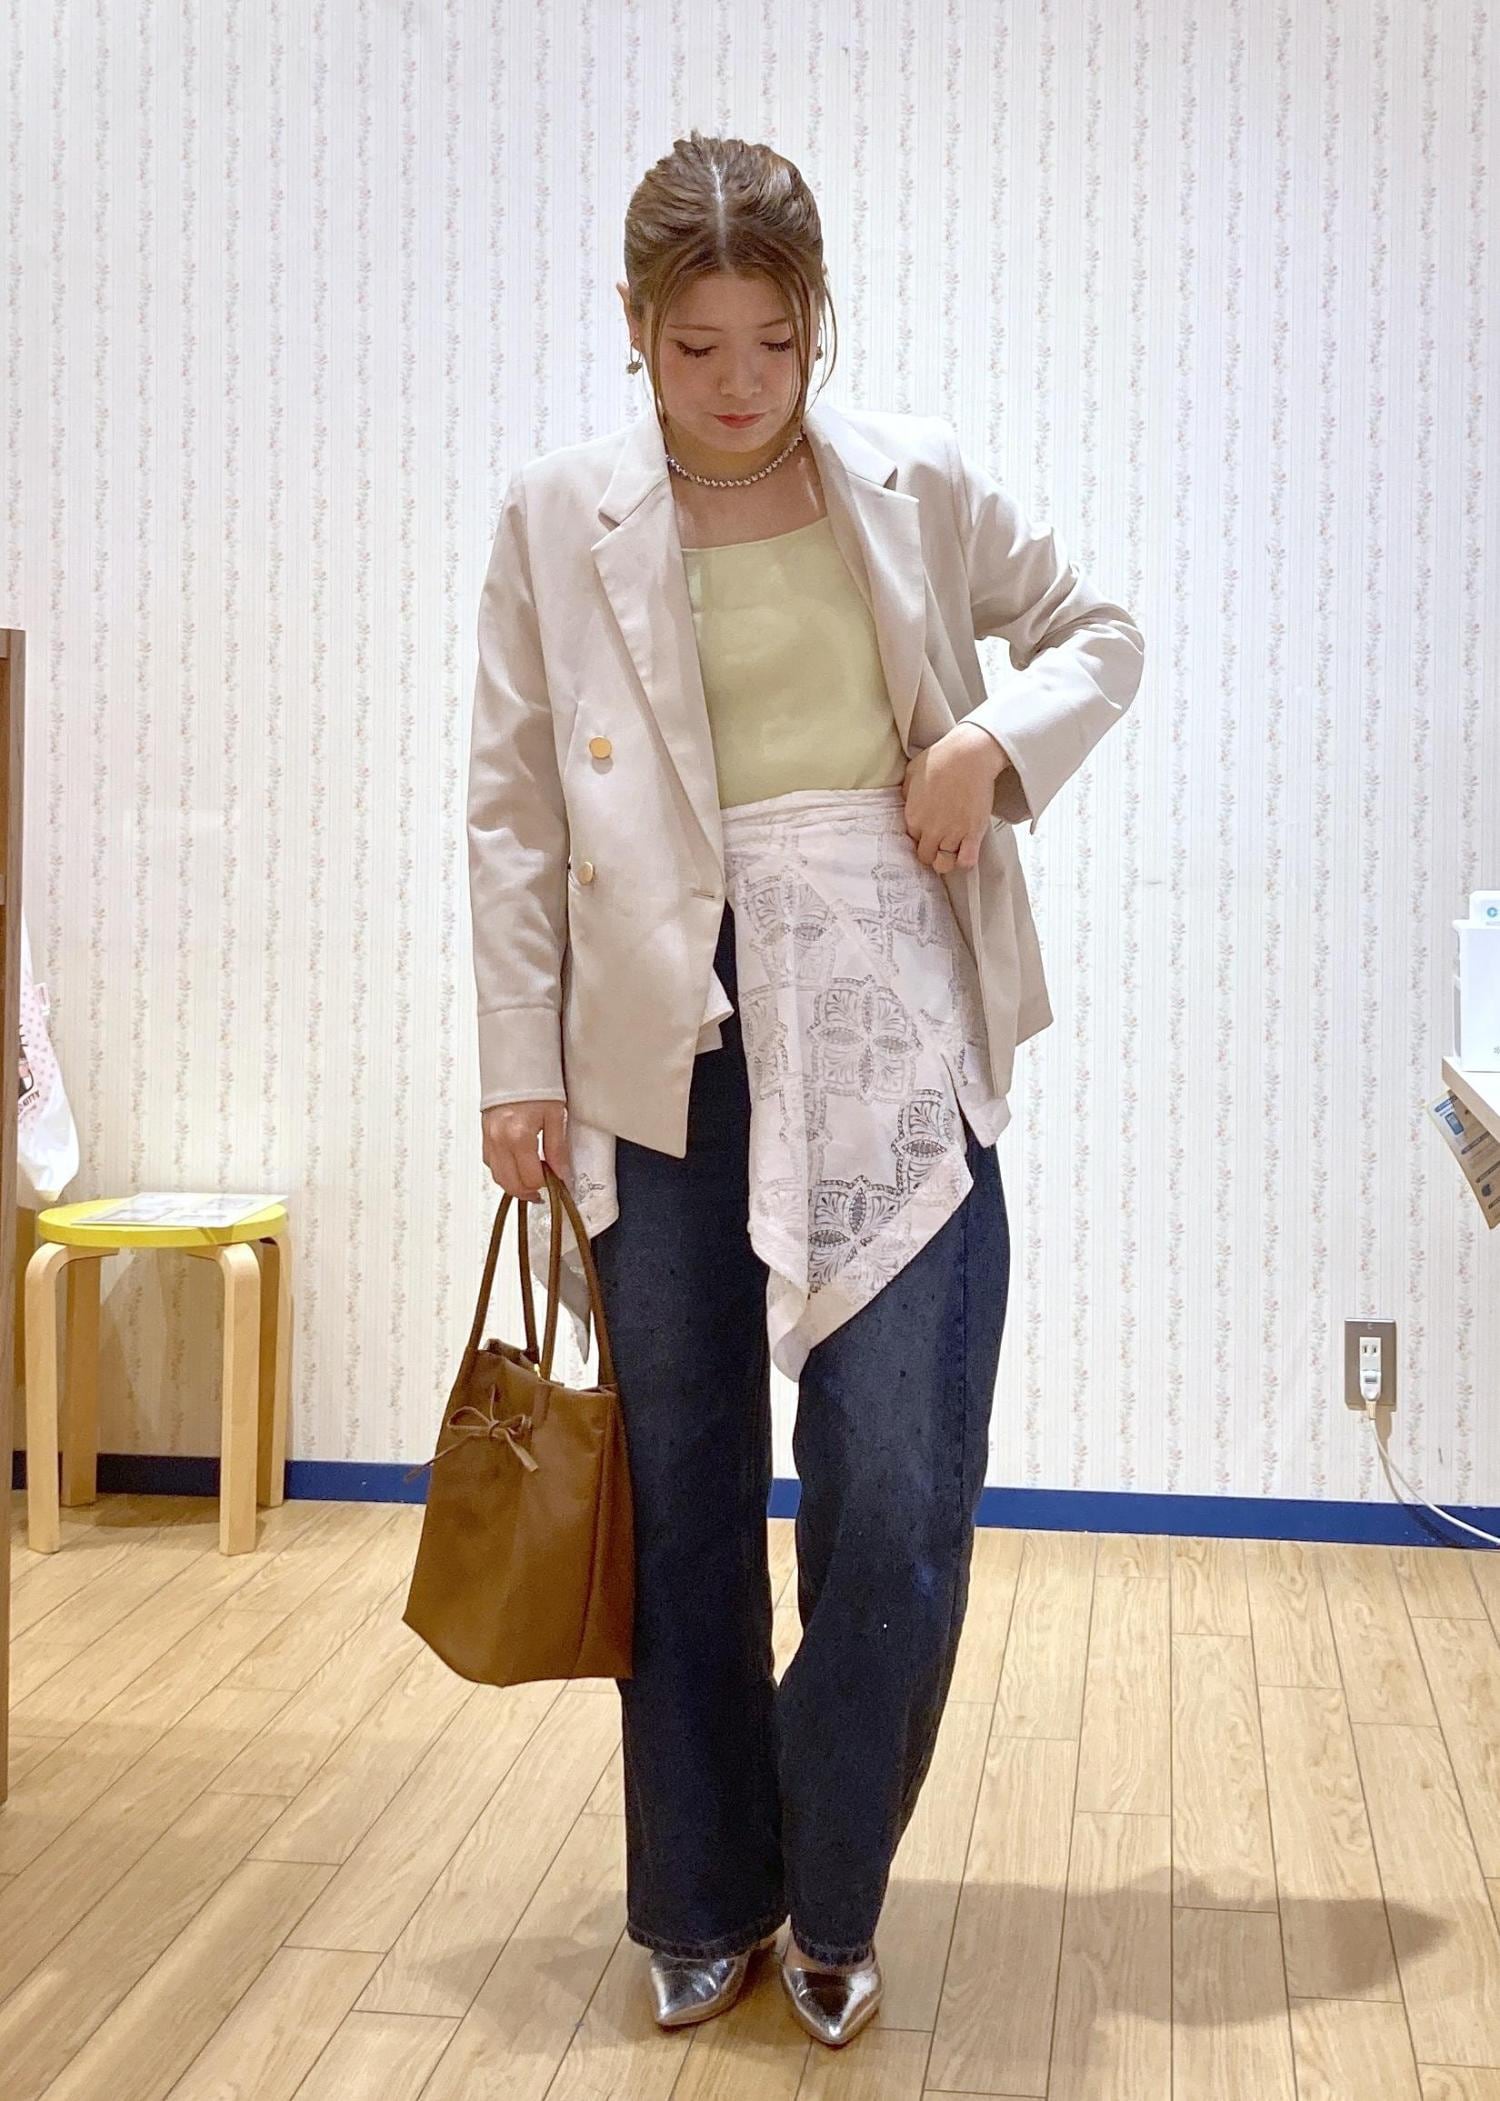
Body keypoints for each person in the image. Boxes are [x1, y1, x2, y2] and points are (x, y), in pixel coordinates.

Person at [469, 130, 1144, 2049]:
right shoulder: (556, 517)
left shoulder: (913, 483)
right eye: (696, 346)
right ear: (635, 329)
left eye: (774, 340)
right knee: (684, 1492)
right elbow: (513, 805)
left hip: (893, 1021)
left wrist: (988, 747)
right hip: (661, 1039)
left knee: (901, 1488)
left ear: (816, 321)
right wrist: (516, 1063)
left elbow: (1100, 631)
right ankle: (705, 1893)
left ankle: (833, 1885)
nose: (740, 382)